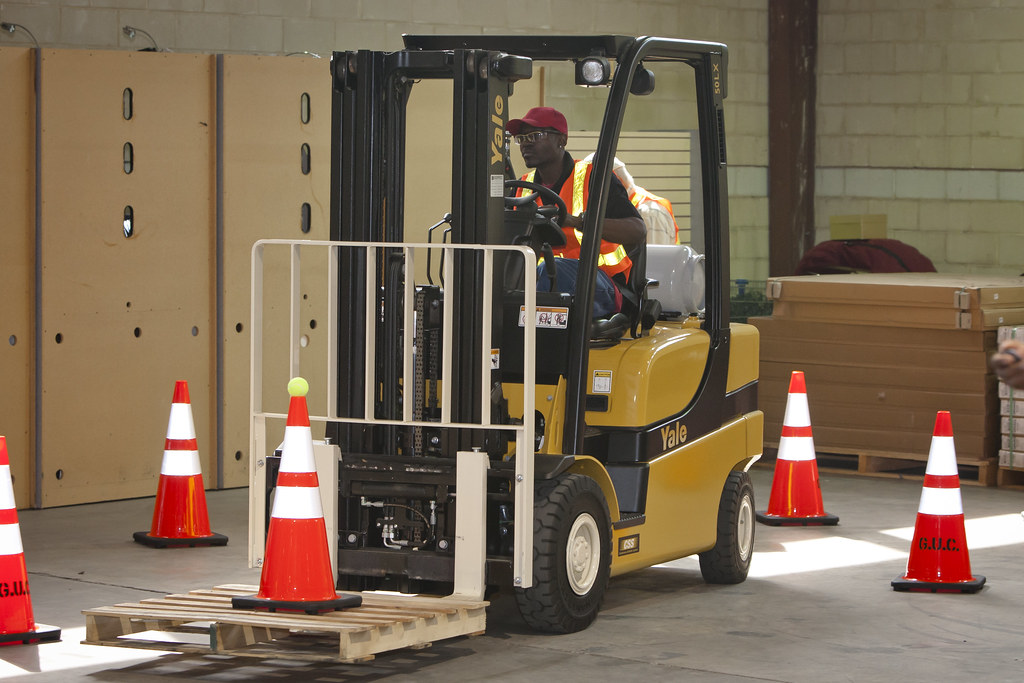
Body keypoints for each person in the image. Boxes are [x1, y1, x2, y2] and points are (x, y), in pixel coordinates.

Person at [506, 107, 645, 318]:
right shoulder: (523, 185)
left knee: (553, 272)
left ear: (561, 140)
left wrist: (579, 222)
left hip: (601, 284)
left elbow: (638, 230)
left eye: (535, 135)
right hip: (545, 283)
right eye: (522, 138)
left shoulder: (594, 178)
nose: (526, 143)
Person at [581, 153, 680, 245]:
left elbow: (653, 260)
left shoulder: (649, 213)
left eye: (591, 186)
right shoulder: (621, 211)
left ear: (615, 182)